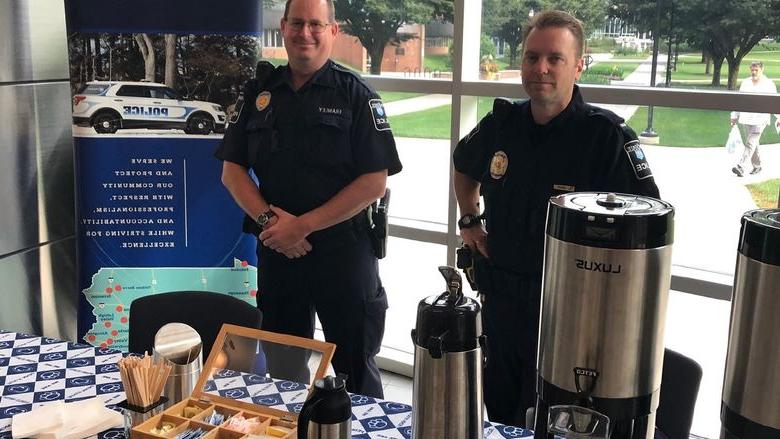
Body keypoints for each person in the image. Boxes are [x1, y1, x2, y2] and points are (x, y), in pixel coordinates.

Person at [452, 10, 660, 427]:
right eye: (531, 57)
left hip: (570, 311)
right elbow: (462, 165)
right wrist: (470, 221)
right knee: (500, 405)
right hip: (502, 300)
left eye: (554, 58)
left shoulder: (606, 137)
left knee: (554, 415)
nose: (540, 68)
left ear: (579, 64)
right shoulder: (502, 124)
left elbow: (647, 223)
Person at [215, 0, 402, 398]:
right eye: (297, 23)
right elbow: (232, 172)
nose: (305, 32)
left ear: (333, 31)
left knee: (355, 367)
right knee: (283, 367)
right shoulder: (259, 93)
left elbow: (374, 181)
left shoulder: (356, 95)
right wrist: (272, 224)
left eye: (316, 24)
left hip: (345, 253)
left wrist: (302, 225)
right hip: (279, 252)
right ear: (283, 27)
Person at [730, 60, 779, 177]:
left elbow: (774, 103)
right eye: (752, 70)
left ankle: (741, 166)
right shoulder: (745, 83)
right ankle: (757, 166)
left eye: (756, 70)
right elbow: (740, 101)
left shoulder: (769, 84)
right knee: (753, 143)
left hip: (760, 118)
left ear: (762, 70)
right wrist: (734, 115)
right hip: (746, 118)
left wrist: (779, 117)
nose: (754, 72)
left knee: (750, 143)